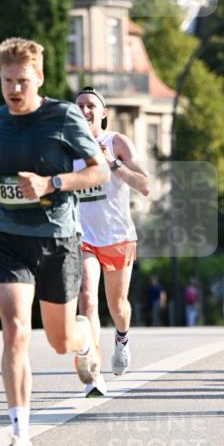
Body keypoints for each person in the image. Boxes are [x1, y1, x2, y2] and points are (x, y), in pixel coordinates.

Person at [0, 38, 110, 446]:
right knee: (14, 331)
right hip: (8, 237)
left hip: (57, 239)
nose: (14, 89)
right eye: (7, 81)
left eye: (22, 81)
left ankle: (86, 343)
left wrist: (52, 184)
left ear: (39, 78)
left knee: (60, 340)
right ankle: (20, 437)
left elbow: (98, 169)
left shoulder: (62, 116)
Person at [73, 86, 150, 394]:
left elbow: (145, 185)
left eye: (91, 105)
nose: (84, 110)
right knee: (88, 298)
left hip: (118, 236)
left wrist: (113, 163)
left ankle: (122, 337)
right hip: (83, 236)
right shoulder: (67, 149)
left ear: (103, 113)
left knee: (117, 306)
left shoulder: (116, 142)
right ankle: (93, 369)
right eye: (78, 105)